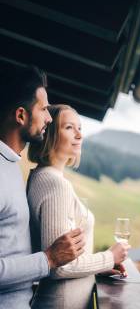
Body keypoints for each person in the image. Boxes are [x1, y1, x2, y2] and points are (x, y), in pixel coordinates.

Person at [27, 104, 131, 309]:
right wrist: (110, 257)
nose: (79, 135)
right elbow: (59, 266)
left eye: (80, 128)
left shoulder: (43, 176)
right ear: (50, 135)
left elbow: (66, 258)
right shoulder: (54, 183)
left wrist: (97, 266)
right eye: (69, 128)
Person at [0, 65, 85, 309]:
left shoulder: (12, 164)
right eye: (44, 109)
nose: (49, 117)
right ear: (20, 116)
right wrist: (49, 259)